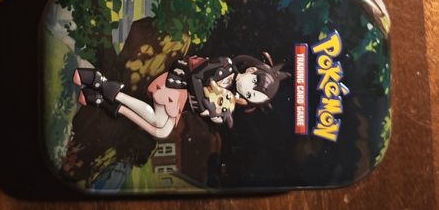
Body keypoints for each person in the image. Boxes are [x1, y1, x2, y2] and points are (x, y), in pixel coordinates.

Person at [73, 52, 288, 139]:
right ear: (252, 70)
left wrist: (213, 113)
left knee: (162, 132)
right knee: (160, 125)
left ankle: (105, 99)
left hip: (181, 100)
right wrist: (204, 103)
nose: (245, 90)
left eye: (249, 95)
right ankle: (102, 86)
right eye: (253, 83)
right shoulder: (226, 65)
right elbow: (196, 76)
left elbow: (207, 107)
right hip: (179, 81)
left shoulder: (228, 97)